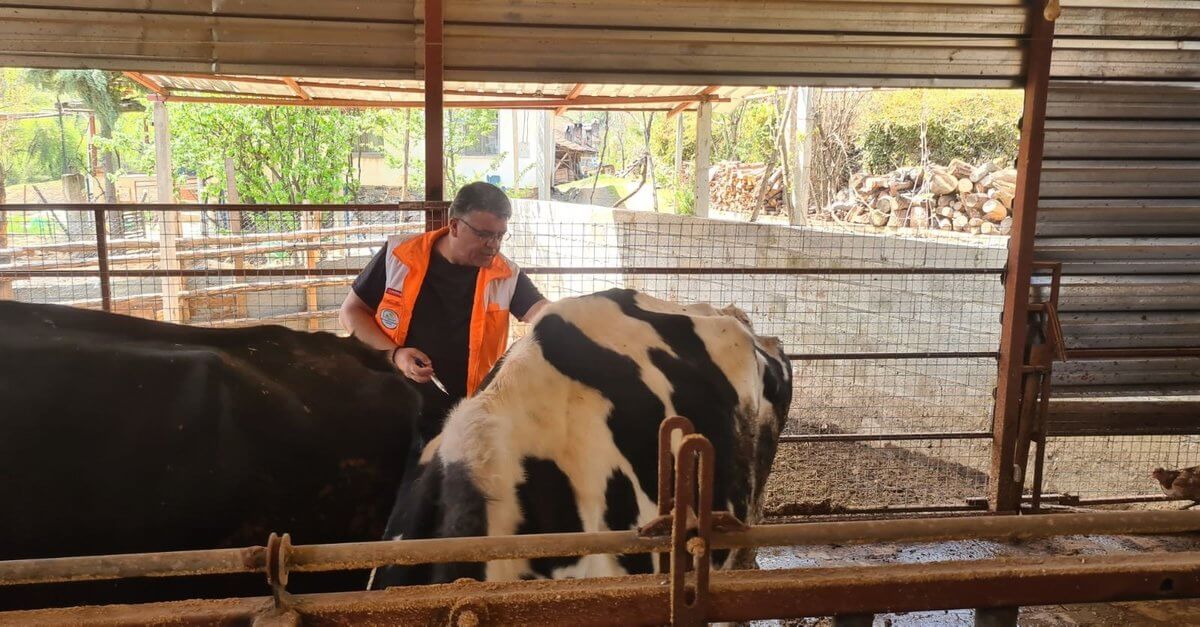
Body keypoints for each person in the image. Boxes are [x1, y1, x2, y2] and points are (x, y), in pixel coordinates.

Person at [339, 181, 548, 442]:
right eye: (483, 234)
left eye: (500, 235)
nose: (493, 245)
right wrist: (395, 355)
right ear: (455, 226)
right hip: (394, 405)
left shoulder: (505, 275)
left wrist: (575, 316)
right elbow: (351, 312)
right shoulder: (399, 256)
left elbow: (542, 312)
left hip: (466, 415)